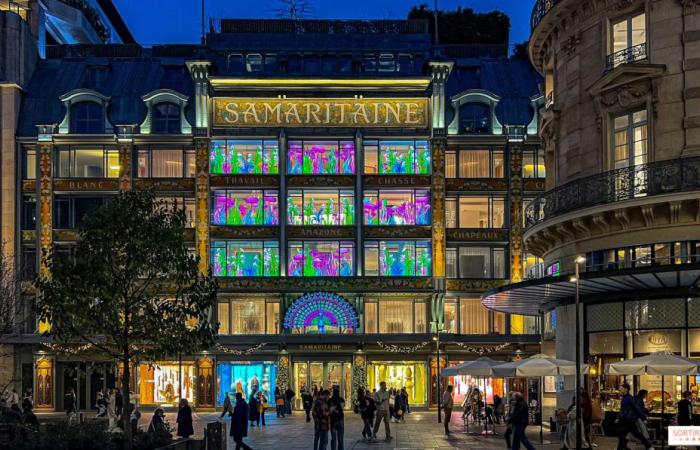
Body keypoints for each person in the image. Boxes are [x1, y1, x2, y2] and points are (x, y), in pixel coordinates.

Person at [616, 383, 653, 450]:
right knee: (634, 434)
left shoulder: (630, 398)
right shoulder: (624, 398)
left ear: (626, 389)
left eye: (621, 389)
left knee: (622, 435)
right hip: (627, 420)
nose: (619, 390)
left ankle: (621, 448)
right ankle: (648, 446)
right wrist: (618, 417)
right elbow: (623, 409)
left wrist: (643, 417)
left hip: (628, 420)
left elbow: (637, 408)